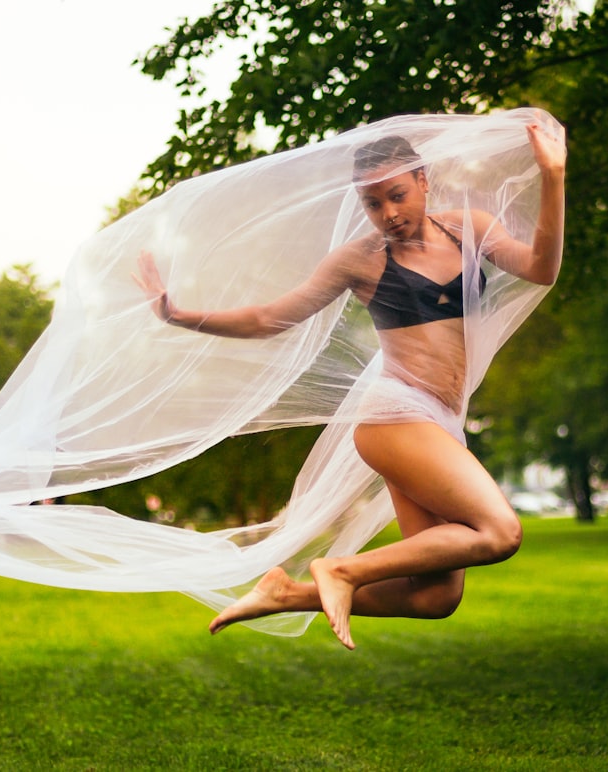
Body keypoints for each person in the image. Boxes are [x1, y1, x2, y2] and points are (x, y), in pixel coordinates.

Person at [135, 122, 566, 650]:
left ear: (424, 181)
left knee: (435, 598)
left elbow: (541, 268)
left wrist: (553, 176)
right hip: (396, 417)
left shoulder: (469, 229)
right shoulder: (361, 260)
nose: (389, 213)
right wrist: (178, 314)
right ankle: (339, 570)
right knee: (501, 532)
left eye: (398, 195)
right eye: (373, 203)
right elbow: (269, 317)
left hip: (443, 423)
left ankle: (286, 593)